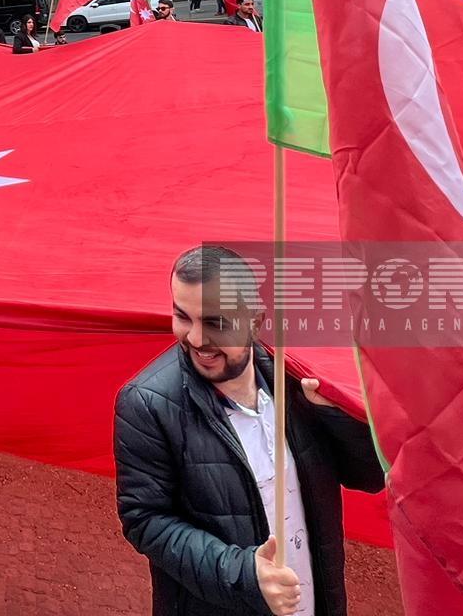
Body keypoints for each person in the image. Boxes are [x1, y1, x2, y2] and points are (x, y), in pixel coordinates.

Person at [115, 246, 384, 616]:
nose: (196, 339)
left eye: (215, 322)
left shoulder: (296, 381)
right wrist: (245, 573)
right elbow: (145, 521)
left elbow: (370, 476)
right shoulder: (146, 404)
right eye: (183, 317)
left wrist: (334, 416)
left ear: (255, 321)